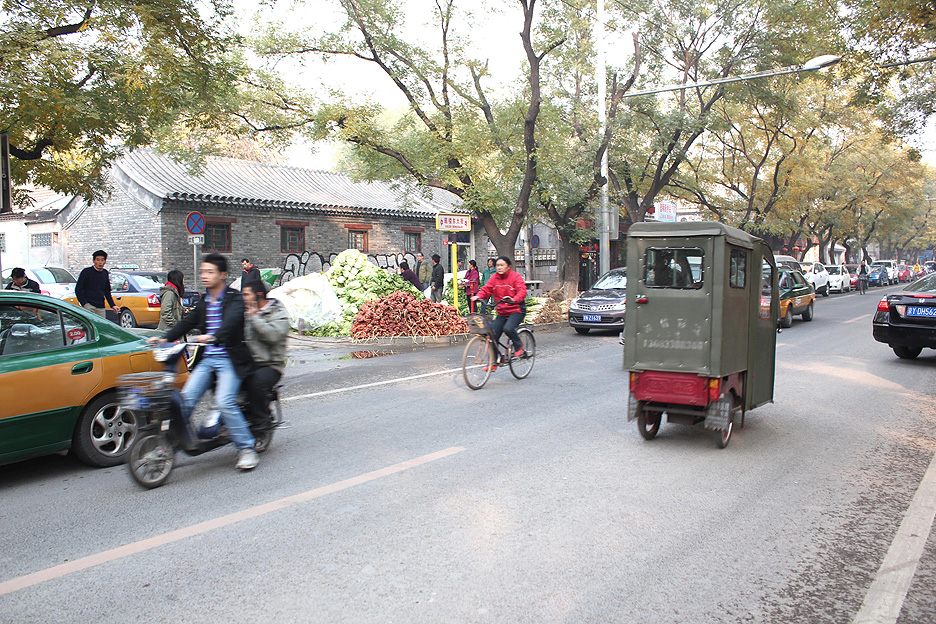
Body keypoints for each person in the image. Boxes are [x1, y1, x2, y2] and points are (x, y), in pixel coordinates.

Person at [151, 253, 259, 471]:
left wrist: (214, 336)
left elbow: (231, 322)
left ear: (223, 275)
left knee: (225, 401)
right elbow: (187, 322)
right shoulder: (204, 301)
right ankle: (170, 443)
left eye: (210, 272)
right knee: (185, 400)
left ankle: (247, 448)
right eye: (203, 272)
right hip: (208, 359)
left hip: (231, 359)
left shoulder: (234, 298)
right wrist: (164, 337)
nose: (204, 276)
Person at [242, 279, 290, 432]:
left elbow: (273, 335)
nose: (244, 298)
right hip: (249, 362)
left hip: (270, 364)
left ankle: (262, 421)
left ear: (258, 294)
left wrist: (254, 317)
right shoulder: (245, 311)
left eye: (247, 295)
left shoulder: (278, 312)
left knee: (256, 382)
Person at [472, 256, 527, 371]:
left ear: (508, 266)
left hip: (516, 310)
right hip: (502, 311)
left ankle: (518, 345)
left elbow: (522, 291)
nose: (499, 267)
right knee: (492, 336)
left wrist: (514, 299)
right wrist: (478, 296)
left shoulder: (515, 277)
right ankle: (493, 363)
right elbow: (486, 289)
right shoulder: (494, 278)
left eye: (502, 265)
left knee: (508, 329)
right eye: (498, 265)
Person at [75, 250, 120, 319]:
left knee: (101, 326)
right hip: (89, 306)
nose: (100, 262)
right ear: (93, 261)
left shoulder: (105, 273)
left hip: (100, 307)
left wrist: (113, 305)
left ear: (105, 261)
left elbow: (107, 291)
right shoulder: (86, 272)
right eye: (98, 260)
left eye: (102, 260)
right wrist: (84, 304)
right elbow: (78, 289)